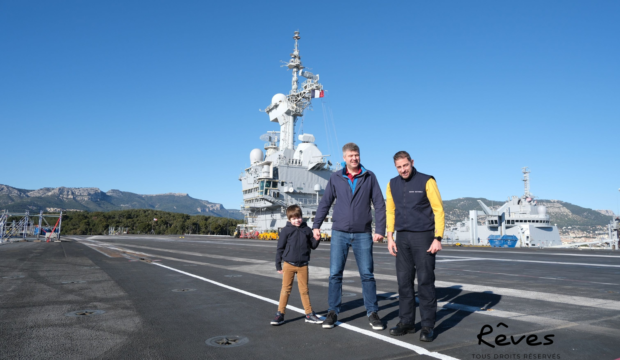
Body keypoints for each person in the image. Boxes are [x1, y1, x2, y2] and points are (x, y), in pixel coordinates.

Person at [312, 142, 386, 330]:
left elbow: (379, 203)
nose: (354, 158)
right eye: (351, 155)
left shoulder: (369, 176)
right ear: (344, 158)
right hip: (340, 232)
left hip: (363, 233)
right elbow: (325, 202)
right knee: (335, 274)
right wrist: (316, 225)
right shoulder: (336, 177)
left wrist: (380, 230)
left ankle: (372, 312)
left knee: (367, 275)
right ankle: (332, 312)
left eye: (357, 155)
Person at [385, 151, 444, 342]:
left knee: (425, 282)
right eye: (399, 167)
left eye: (405, 165)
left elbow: (438, 210)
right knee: (404, 282)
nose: (403, 170)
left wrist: (438, 238)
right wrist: (390, 237)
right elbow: (390, 211)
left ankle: (427, 326)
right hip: (402, 238)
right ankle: (406, 322)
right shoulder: (391, 183)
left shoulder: (427, 181)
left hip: (424, 237)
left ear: (412, 162)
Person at [272, 205, 322, 326]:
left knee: (304, 290)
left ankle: (309, 314)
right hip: (288, 264)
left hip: (303, 265)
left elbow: (313, 246)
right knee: (285, 290)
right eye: (293, 218)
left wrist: (317, 238)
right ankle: (280, 314)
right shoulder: (286, 230)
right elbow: (280, 248)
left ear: (301, 217)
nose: (297, 220)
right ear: (289, 219)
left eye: (298, 217)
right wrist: (278, 264)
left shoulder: (307, 229)